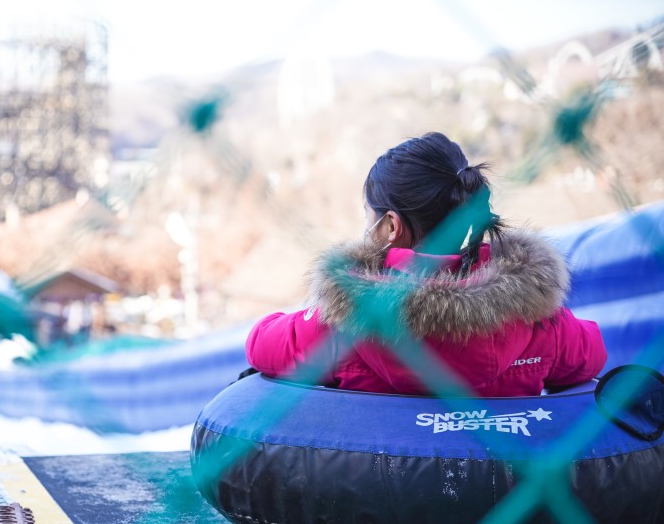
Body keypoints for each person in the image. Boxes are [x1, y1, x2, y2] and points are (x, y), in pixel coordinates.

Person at [246, 132, 607, 397]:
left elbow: (262, 344)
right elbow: (592, 354)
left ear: (390, 226)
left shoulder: (346, 319)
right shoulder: (535, 316)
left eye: (367, 216)